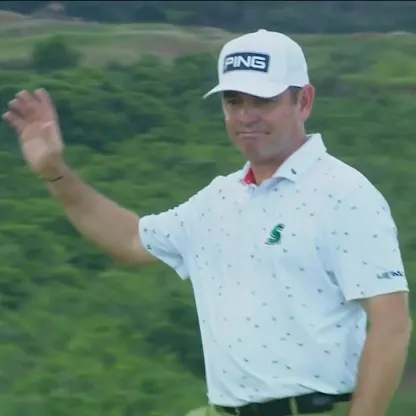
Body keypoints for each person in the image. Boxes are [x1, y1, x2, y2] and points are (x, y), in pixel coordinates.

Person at [2, 29, 412, 416]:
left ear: (303, 101)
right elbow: (130, 241)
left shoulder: (344, 194)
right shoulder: (218, 199)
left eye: (263, 101)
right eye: (233, 101)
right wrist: (55, 174)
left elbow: (392, 323)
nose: (245, 116)